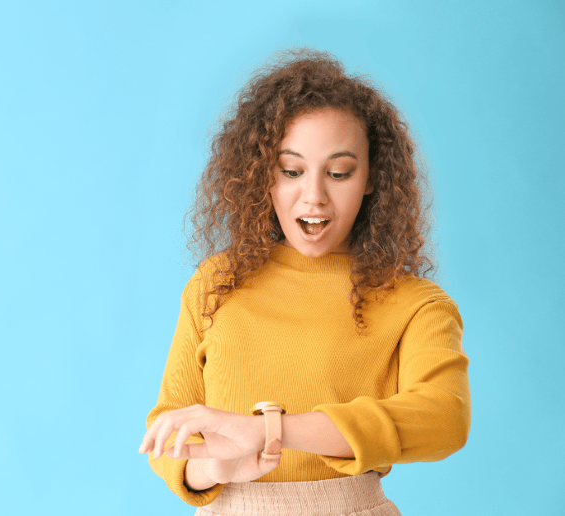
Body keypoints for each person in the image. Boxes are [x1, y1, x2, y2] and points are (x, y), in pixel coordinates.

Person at [138, 49, 470, 516]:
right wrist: (216, 467)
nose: (314, 196)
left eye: (338, 173)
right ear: (263, 176)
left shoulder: (416, 304)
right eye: (291, 171)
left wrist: (271, 431)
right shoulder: (217, 283)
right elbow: (170, 428)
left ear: (372, 177)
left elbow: (444, 418)